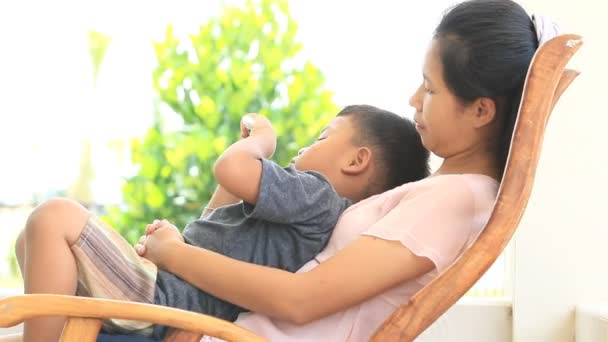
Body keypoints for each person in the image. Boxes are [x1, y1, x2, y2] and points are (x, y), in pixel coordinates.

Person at [132, 0, 542, 341]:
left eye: (430, 88)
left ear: (481, 110)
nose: (414, 98)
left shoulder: (454, 197)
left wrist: (178, 256)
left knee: (69, 228)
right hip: (211, 324)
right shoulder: (441, 192)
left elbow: (300, 300)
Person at [9, 105, 430, 341]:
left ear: (357, 161)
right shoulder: (309, 214)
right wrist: (176, 241)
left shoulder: (317, 195)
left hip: (164, 298)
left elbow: (230, 169)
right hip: (171, 294)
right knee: (32, 243)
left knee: (55, 217)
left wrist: (262, 141)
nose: (305, 148)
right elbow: (215, 222)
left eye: (322, 137)